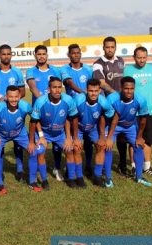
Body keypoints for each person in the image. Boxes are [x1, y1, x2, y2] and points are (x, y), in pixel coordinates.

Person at [0, 85, 46, 192]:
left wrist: (41, 136)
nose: (14, 99)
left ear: (20, 96)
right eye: (11, 97)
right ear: (6, 97)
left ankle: (32, 181)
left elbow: (35, 119)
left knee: (34, 151)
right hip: (1, 136)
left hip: (20, 134)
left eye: (16, 97)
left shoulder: (25, 106)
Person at [29, 77, 80, 188]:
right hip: (44, 133)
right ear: (49, 89)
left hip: (60, 134)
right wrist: (37, 139)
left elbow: (73, 119)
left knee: (69, 150)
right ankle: (44, 180)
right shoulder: (40, 101)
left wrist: (71, 137)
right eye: (54, 87)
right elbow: (33, 122)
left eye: (59, 87)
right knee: (41, 151)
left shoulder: (68, 100)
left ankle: (71, 179)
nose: (57, 90)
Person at [0, 44, 26, 182]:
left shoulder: (17, 72)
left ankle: (20, 170)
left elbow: (23, 92)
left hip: (14, 111)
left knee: (18, 143)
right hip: (0, 112)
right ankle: (0, 171)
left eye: (8, 54)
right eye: (3, 54)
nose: (6, 56)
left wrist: (13, 102)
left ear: (11, 55)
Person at [123, 46, 152, 176]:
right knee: (133, 139)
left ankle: (147, 166)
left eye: (144, 57)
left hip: (151, 111)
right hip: (133, 112)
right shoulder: (128, 70)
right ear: (134, 57)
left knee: (148, 140)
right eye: (139, 57)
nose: (142, 60)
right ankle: (134, 166)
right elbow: (125, 90)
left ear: (147, 57)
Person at [105, 76, 152, 187]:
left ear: (134, 88)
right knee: (107, 147)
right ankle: (108, 178)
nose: (129, 91)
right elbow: (109, 118)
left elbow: (143, 120)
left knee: (138, 146)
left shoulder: (140, 100)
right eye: (126, 88)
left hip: (130, 126)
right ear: (121, 88)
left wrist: (139, 137)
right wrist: (108, 137)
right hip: (113, 125)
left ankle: (139, 177)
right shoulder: (112, 99)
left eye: (131, 88)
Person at [26, 45, 64, 182]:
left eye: (44, 54)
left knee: (57, 139)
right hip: (39, 111)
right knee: (40, 142)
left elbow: (58, 86)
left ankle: (57, 167)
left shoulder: (55, 70)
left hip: (55, 109)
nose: (41, 56)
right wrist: (43, 100)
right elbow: (32, 86)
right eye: (39, 54)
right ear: (35, 55)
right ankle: (38, 169)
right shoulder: (31, 71)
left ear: (47, 55)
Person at [92, 37, 128, 177]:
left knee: (122, 136)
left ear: (115, 47)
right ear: (103, 47)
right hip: (107, 106)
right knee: (105, 136)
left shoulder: (120, 61)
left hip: (122, 103)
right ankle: (99, 166)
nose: (110, 49)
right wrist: (117, 94)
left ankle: (122, 164)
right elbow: (101, 83)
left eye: (112, 47)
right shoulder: (98, 64)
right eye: (107, 47)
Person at [60, 44, 94, 177]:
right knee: (72, 138)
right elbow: (69, 83)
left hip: (88, 108)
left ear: (80, 54)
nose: (76, 55)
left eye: (78, 53)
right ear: (69, 55)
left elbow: (93, 85)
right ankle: (70, 167)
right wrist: (83, 93)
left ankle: (88, 165)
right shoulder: (64, 69)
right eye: (73, 53)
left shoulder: (88, 69)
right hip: (72, 109)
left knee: (88, 140)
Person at [73, 79, 115, 188]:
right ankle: (79, 177)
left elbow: (103, 117)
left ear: (100, 90)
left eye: (96, 91)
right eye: (91, 91)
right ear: (86, 90)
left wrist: (102, 136)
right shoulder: (78, 100)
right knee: (77, 148)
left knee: (101, 146)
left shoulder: (104, 102)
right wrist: (76, 137)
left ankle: (97, 176)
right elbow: (73, 118)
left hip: (93, 127)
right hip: (79, 127)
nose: (93, 93)